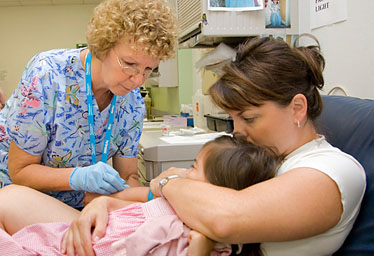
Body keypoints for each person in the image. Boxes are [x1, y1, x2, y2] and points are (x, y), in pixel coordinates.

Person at [62, 35, 366, 255]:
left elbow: (224, 219)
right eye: (233, 118)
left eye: (249, 118)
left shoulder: (333, 170)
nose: (238, 132)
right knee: (15, 200)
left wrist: (169, 180)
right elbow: (168, 199)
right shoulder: (264, 159)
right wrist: (106, 202)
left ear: (297, 108)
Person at [0, 0, 177, 208]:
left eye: (149, 69)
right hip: (17, 199)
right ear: (102, 46)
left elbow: (129, 175)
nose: (139, 80)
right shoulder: (48, 76)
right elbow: (20, 171)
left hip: (80, 205)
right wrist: (78, 177)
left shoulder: (133, 103)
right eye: (129, 64)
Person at [0, 135, 281, 256]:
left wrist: (201, 243)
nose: (184, 172)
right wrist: (102, 203)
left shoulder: (197, 236)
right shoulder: (173, 199)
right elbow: (125, 196)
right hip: (88, 233)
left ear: (218, 188)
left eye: (194, 168)